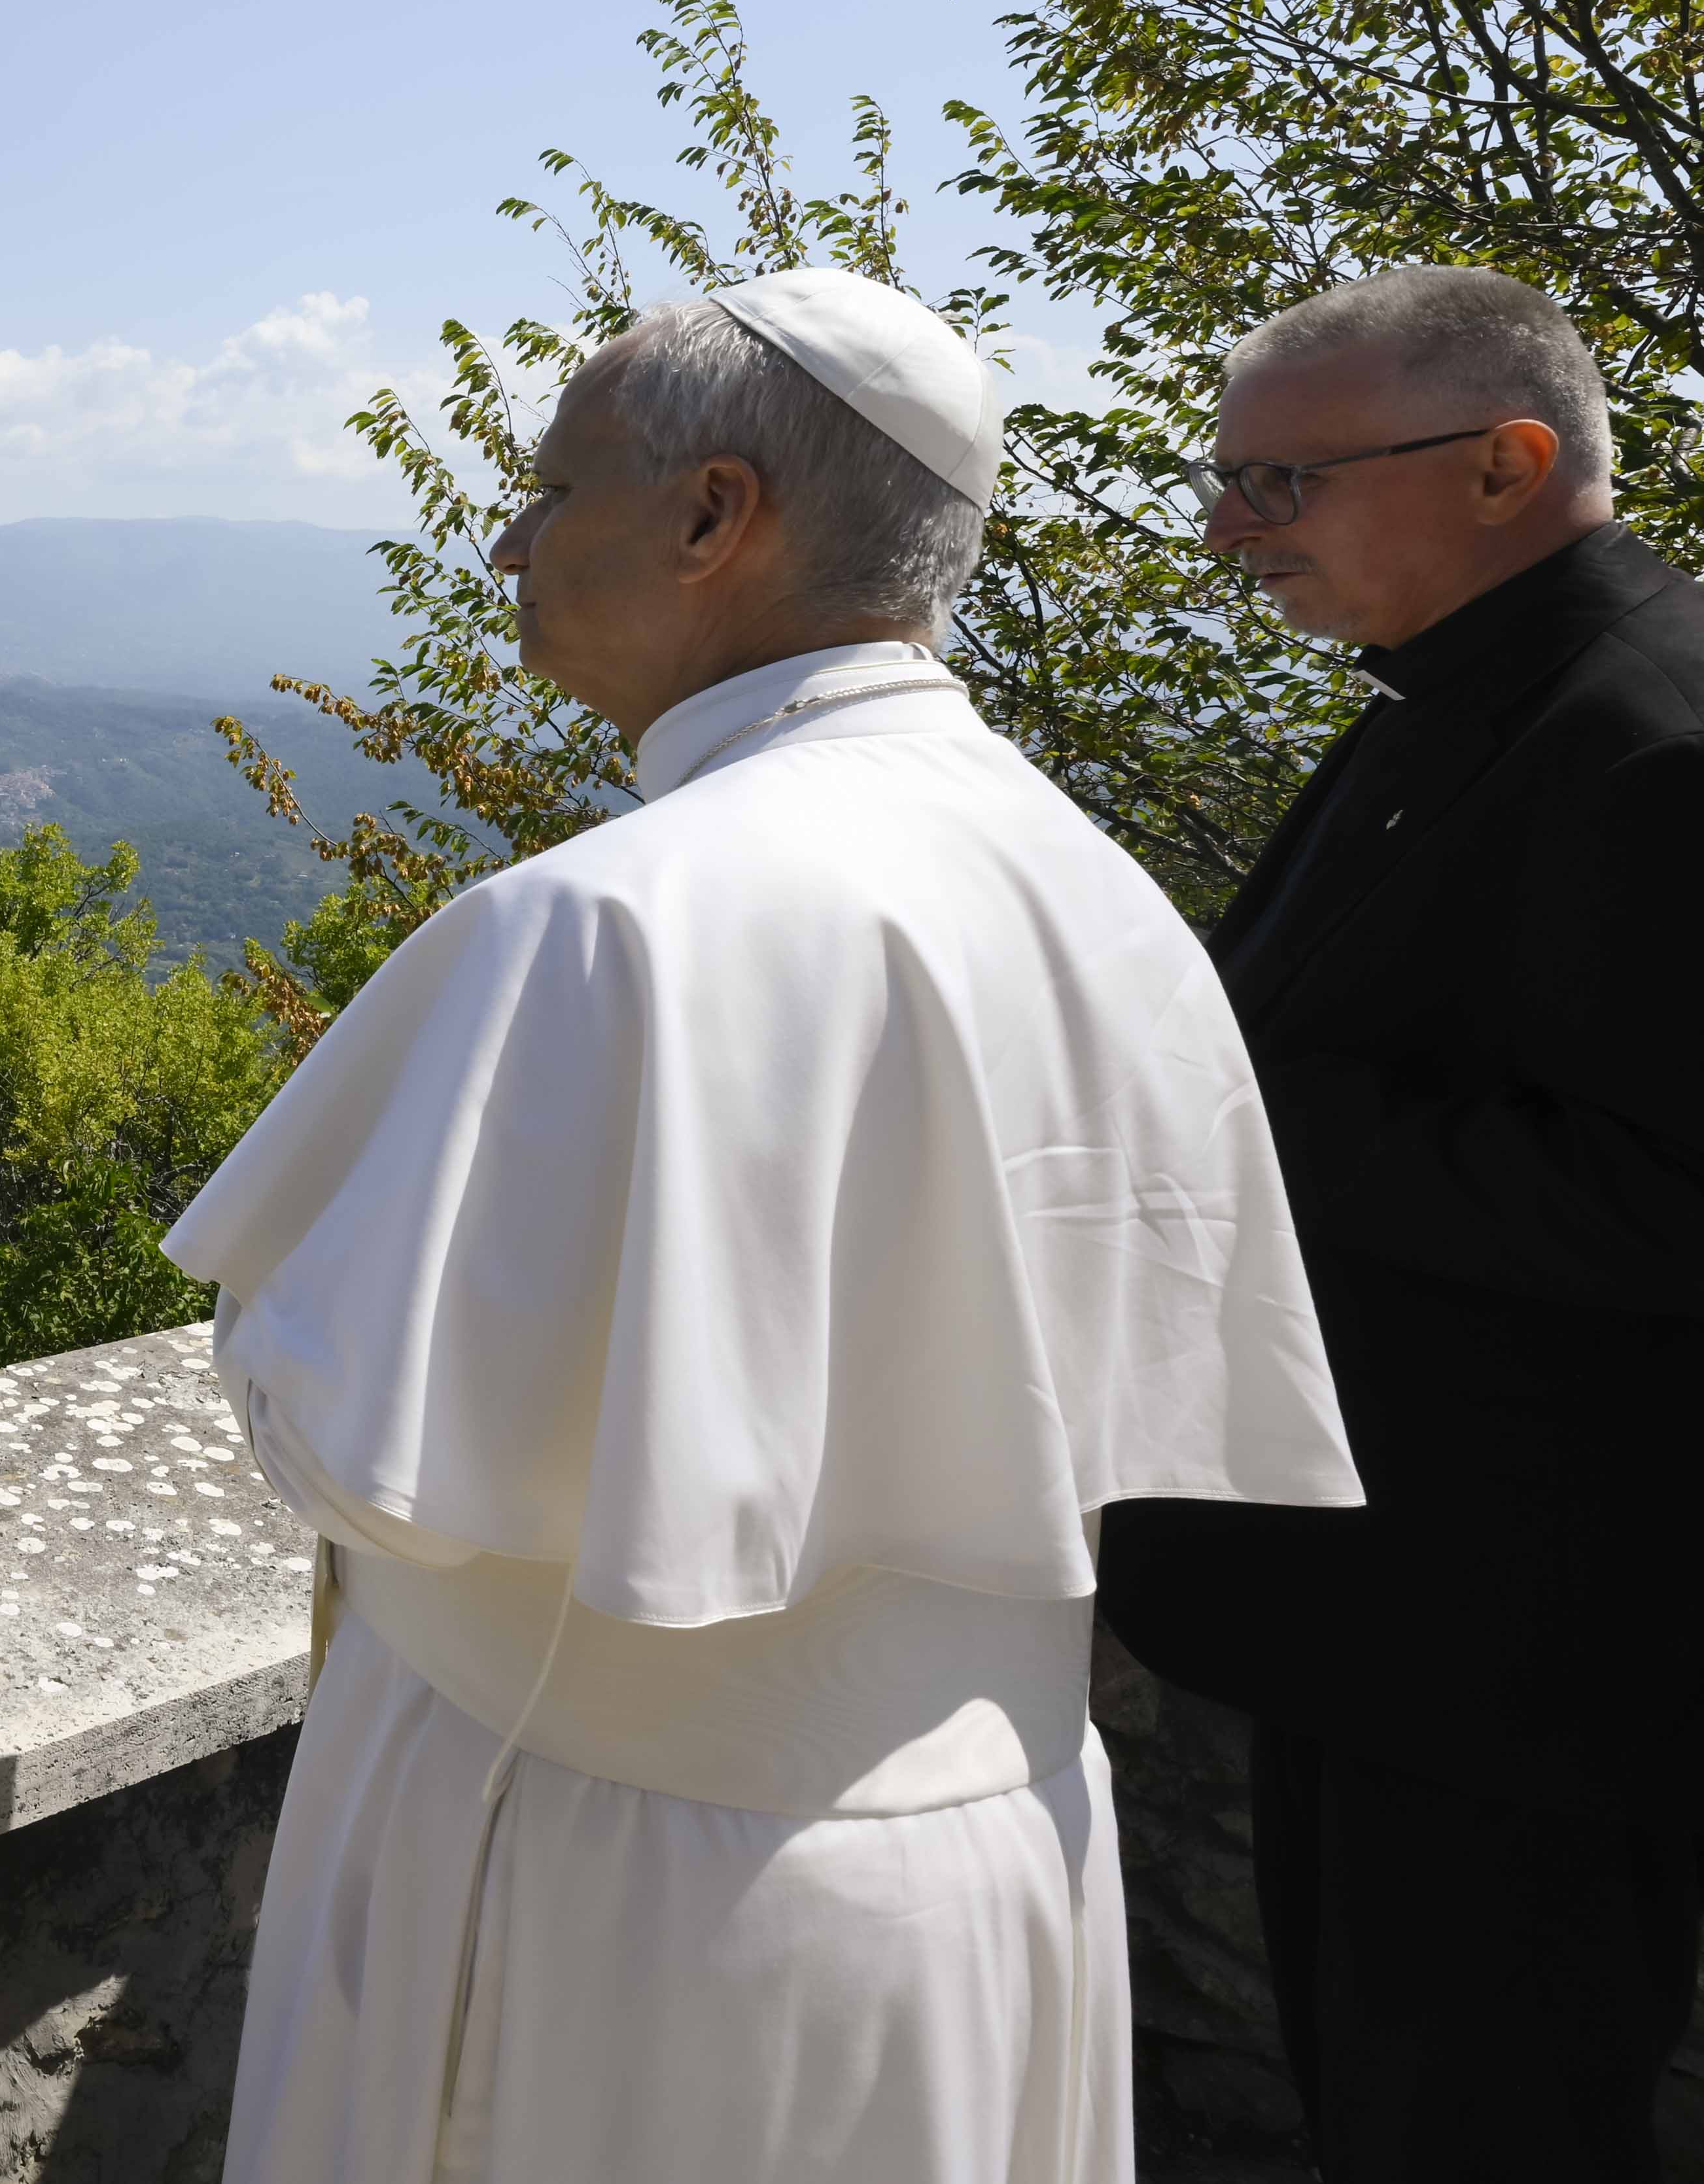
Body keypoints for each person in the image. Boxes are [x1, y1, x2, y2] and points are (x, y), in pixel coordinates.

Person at [170, 266, 1362, 2184]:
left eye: (553, 490)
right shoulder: (1090, 885)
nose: (509, 543)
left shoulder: (603, 924)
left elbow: (361, 1452)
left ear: (714, 515)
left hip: (608, 1902)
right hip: (993, 1856)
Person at [1096, 266, 1704, 2183]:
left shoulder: (1680, 742)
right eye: (1224, 479)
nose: (1228, 531)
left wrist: (1236, 1114)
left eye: (1283, 483)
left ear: (1504, 465)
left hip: (1545, 1674)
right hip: (1426, 1636)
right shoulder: (1490, 681)